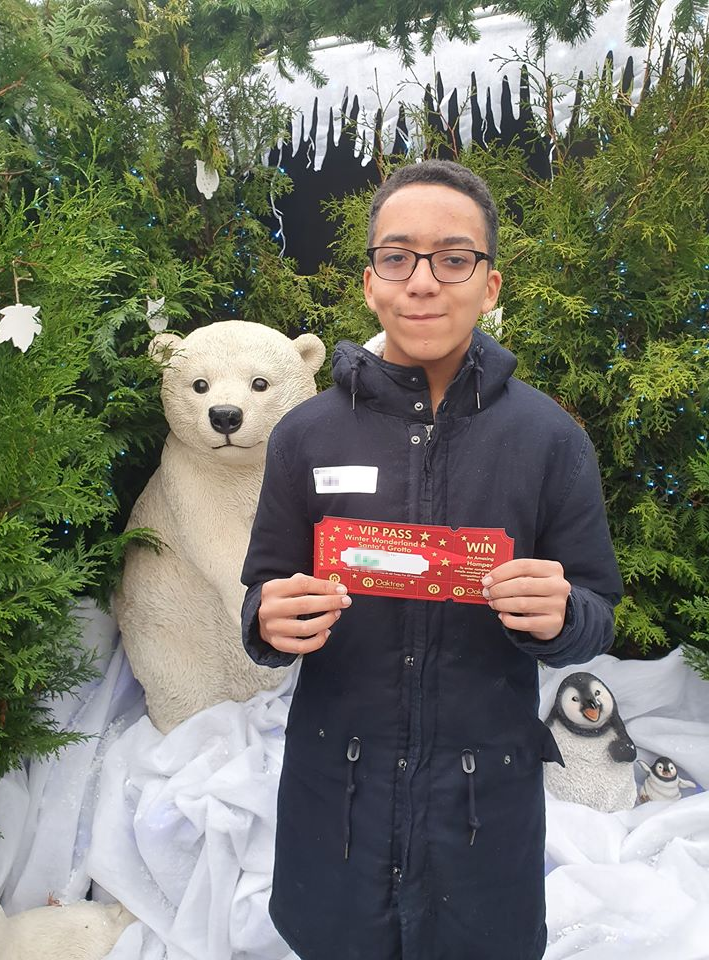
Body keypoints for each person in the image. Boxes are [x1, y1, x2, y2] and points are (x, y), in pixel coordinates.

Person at [240, 159, 622, 960]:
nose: (424, 282)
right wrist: (269, 619)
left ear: (490, 285)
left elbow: (595, 610)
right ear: (371, 280)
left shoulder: (551, 441)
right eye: (398, 257)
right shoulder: (306, 437)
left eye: (454, 258)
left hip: (482, 802)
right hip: (338, 792)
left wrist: (561, 618)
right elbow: (261, 591)